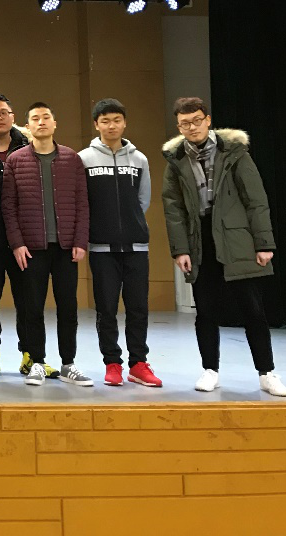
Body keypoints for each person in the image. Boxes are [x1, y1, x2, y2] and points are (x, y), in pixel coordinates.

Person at [162, 97, 286, 397]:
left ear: (207, 120)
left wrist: (263, 243)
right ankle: (210, 370)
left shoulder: (235, 153)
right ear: (179, 127)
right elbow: (173, 209)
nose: (192, 127)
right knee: (205, 310)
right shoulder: (176, 161)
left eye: (197, 120)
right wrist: (180, 249)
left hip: (237, 238)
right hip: (199, 239)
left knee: (252, 309)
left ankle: (267, 372)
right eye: (184, 123)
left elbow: (256, 200)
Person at [2, 102, 91, 388]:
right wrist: (17, 243)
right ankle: (37, 362)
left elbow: (82, 203)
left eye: (46, 117)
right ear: (27, 126)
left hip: (66, 248)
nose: (41, 122)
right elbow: (8, 207)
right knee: (32, 308)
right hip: (31, 249)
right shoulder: (15, 160)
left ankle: (68, 363)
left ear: (54, 123)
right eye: (35, 119)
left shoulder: (72, 159)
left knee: (68, 307)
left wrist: (80, 240)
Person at [79, 98, 162, 388]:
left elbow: (143, 200)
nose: (111, 125)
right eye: (105, 121)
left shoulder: (140, 160)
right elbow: (83, 202)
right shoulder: (84, 159)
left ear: (124, 123)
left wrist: (130, 224)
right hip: (101, 249)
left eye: (116, 120)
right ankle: (112, 363)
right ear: (96, 125)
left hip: (136, 247)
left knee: (138, 308)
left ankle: (138, 363)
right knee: (106, 309)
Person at [0, 94, 40, 379]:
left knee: (28, 300)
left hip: (24, 238)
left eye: (4, 112)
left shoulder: (30, 146)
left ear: (13, 117)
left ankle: (31, 356)